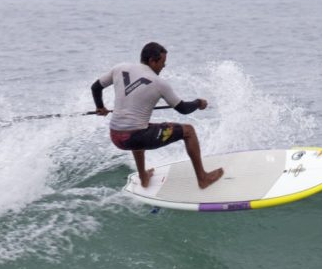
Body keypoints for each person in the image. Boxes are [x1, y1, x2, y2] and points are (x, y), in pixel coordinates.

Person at [91, 42, 223, 189]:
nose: (164, 66)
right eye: (162, 62)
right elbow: (183, 109)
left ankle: (143, 176)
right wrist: (198, 103)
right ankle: (203, 179)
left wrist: (100, 107)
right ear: (152, 61)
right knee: (188, 131)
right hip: (134, 137)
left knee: (140, 127)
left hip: (116, 137)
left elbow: (95, 87)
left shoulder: (120, 68)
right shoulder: (159, 83)